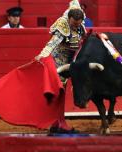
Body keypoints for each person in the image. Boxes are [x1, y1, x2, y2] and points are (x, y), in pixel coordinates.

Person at [34, 0, 86, 133]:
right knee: (58, 91)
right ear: (69, 19)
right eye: (74, 24)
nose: (76, 27)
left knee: (62, 92)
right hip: (58, 61)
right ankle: (56, 122)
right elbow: (52, 43)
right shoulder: (63, 24)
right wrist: (42, 55)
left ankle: (59, 121)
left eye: (78, 24)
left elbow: (84, 38)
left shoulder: (80, 23)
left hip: (71, 61)